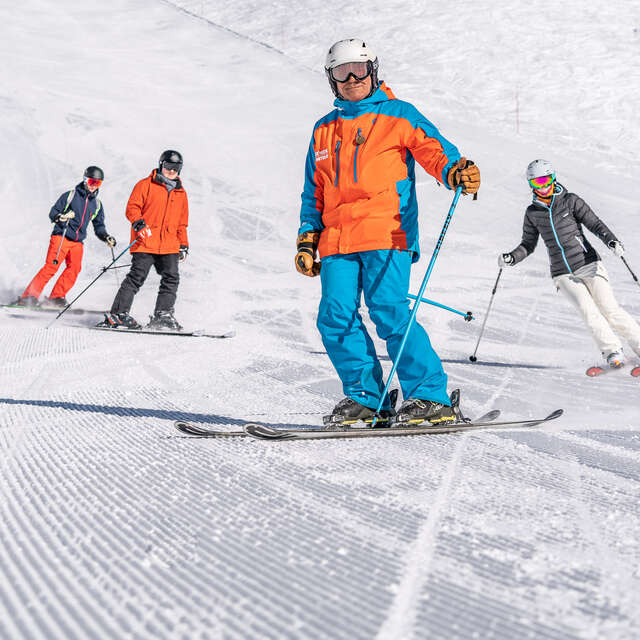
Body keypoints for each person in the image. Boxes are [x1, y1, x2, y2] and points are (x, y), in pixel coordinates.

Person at [296, 38, 480, 427]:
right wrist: (307, 237)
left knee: (389, 311)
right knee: (334, 317)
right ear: (331, 79)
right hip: (336, 241)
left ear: (372, 71)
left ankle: (431, 397)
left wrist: (454, 171)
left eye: (358, 70)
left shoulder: (399, 114)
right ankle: (367, 399)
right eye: (340, 72)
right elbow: (314, 190)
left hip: (387, 231)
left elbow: (434, 150)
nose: (350, 79)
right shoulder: (323, 130)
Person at [499, 159, 640, 368]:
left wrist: (611, 240)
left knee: (609, 308)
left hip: (589, 263)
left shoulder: (570, 201)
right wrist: (512, 257)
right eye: (538, 183)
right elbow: (528, 244)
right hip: (562, 272)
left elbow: (595, 223)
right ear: (531, 185)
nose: (544, 186)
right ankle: (612, 352)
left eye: (546, 180)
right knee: (587, 311)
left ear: (553, 178)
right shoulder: (532, 213)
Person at [98, 150, 189, 330]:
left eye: (176, 168)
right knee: (136, 277)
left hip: (169, 244)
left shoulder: (181, 193)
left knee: (171, 278)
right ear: (161, 164)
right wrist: (139, 224)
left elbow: (182, 223)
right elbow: (132, 208)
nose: (172, 171)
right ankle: (118, 315)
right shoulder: (145, 185)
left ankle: (163, 315)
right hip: (146, 241)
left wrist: (183, 244)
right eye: (168, 166)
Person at [15, 166, 115, 307]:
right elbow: (53, 213)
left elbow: (99, 226)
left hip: (77, 242)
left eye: (98, 183)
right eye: (92, 182)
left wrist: (106, 237)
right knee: (51, 267)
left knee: (74, 269)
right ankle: (29, 297)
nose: (94, 186)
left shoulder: (97, 204)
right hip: (61, 236)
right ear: (85, 180)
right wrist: (61, 217)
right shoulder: (71, 196)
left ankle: (56, 297)